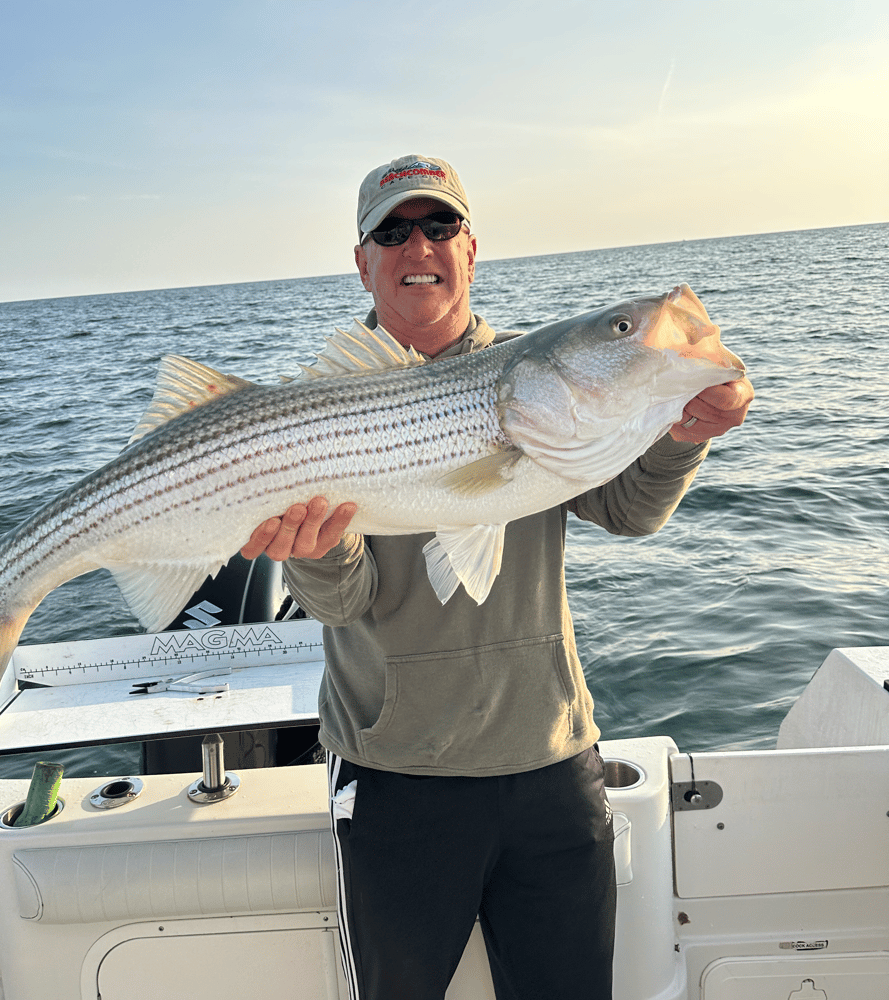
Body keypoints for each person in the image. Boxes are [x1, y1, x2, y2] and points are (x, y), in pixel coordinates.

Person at [240, 155, 754, 1000]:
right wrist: (314, 546)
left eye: (440, 226)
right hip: (395, 771)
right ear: (363, 261)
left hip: (549, 758)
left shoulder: (539, 380)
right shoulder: (320, 409)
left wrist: (683, 432)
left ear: (471, 251)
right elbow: (343, 602)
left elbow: (630, 511)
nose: (420, 244)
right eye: (394, 230)